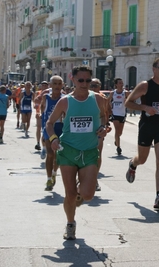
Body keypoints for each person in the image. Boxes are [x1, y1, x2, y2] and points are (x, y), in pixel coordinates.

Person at [46, 65, 107, 240]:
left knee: (87, 195)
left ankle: (79, 192)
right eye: (81, 80)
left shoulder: (98, 100)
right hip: (68, 151)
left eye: (88, 80)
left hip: (89, 151)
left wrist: (103, 128)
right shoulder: (65, 101)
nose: (85, 84)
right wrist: (53, 139)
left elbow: (104, 117)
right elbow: (49, 124)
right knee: (70, 193)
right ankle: (70, 224)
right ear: (72, 80)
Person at [124, 58, 159, 209]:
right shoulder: (145, 86)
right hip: (147, 125)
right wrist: (145, 108)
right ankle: (133, 164)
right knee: (142, 159)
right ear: (154, 69)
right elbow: (128, 103)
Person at [40, 76, 64, 191]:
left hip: (60, 128)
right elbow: (42, 111)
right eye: (55, 83)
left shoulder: (65, 99)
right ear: (50, 85)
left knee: (57, 156)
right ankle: (49, 179)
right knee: (50, 154)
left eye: (59, 84)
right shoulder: (45, 98)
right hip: (48, 128)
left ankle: (54, 173)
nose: (57, 86)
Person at [90, 78, 111, 191]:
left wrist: (106, 125)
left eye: (95, 85)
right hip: (85, 130)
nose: (93, 88)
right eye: (91, 85)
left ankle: (94, 179)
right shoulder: (83, 96)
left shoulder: (103, 98)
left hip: (98, 129)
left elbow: (107, 112)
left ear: (99, 86)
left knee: (97, 153)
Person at [108, 77, 129, 155]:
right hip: (115, 113)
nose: (121, 84)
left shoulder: (125, 93)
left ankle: (116, 140)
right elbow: (108, 101)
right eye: (119, 83)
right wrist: (110, 107)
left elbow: (131, 100)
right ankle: (118, 147)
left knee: (120, 132)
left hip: (122, 114)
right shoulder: (113, 93)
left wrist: (127, 101)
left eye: (122, 83)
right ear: (116, 84)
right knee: (117, 130)